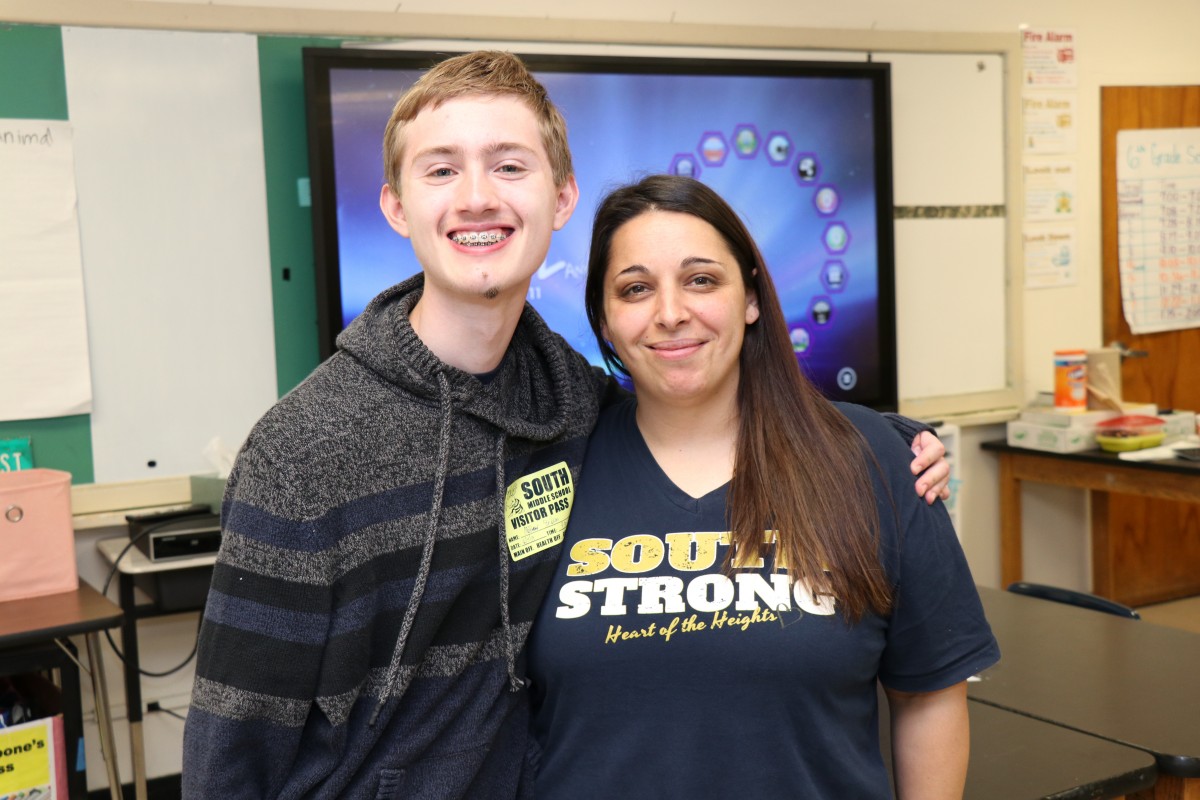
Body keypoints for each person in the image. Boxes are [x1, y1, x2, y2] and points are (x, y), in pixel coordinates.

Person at [182, 52, 950, 799]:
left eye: (510, 166)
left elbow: (694, 399)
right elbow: (233, 747)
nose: (478, 197)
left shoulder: (569, 403)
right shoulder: (304, 450)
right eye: (442, 169)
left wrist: (889, 441)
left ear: (560, 199)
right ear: (395, 205)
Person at [526, 175, 999, 799]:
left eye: (701, 280)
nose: (671, 313)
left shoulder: (876, 461)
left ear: (750, 297)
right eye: (635, 289)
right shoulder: (546, 474)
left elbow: (928, 695)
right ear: (606, 322)